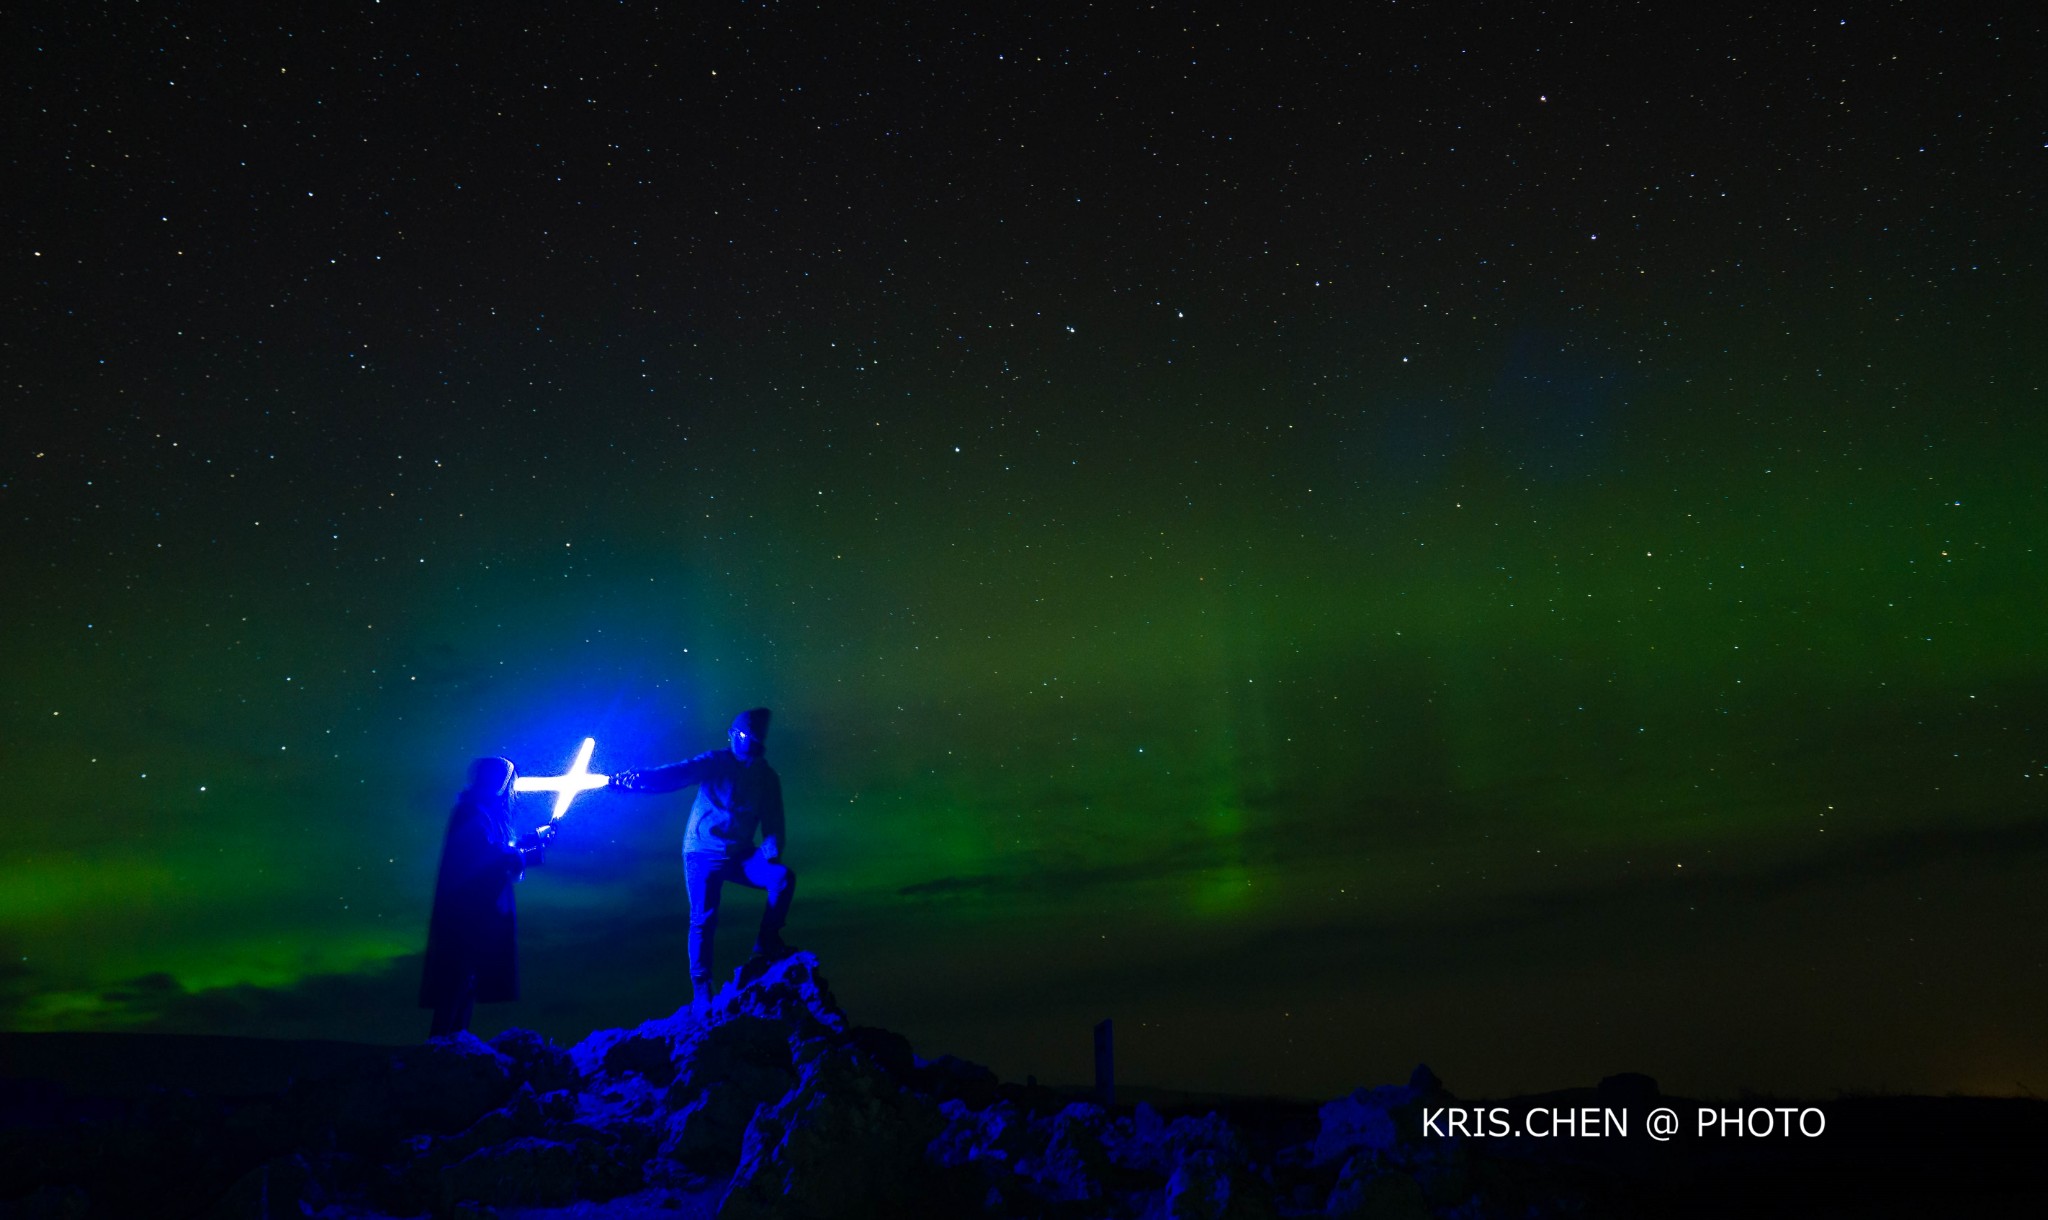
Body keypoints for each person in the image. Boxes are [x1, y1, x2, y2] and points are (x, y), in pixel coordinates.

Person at [611, 708, 795, 1019]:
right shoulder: (716, 762)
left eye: (753, 740)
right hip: (702, 853)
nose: (747, 744)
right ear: (733, 735)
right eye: (743, 737)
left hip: (740, 855)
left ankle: (766, 946)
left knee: (781, 878)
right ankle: (702, 991)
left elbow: (774, 824)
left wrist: (770, 852)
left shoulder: (767, 778)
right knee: (703, 919)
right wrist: (639, 780)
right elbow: (677, 774)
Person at [419, 756, 552, 1037]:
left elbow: (498, 849)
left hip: (478, 911)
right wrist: (527, 853)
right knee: (459, 977)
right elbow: (486, 854)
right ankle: (442, 1046)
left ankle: (453, 1043)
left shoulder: (479, 813)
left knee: (468, 978)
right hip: (470, 913)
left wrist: (533, 842)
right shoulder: (471, 813)